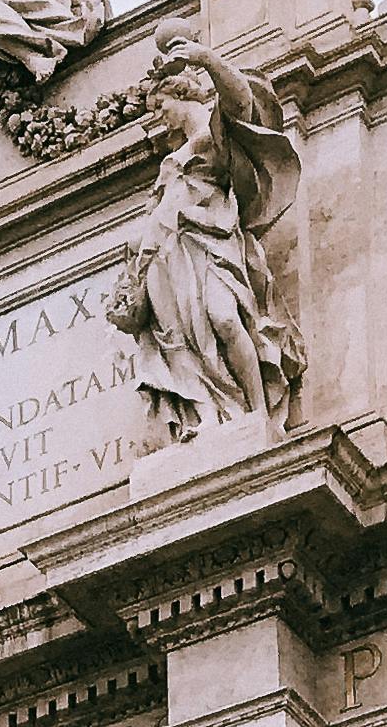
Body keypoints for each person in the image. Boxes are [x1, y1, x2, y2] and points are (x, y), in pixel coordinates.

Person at [112, 30, 303, 443]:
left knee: (224, 318)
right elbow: (156, 215)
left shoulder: (214, 135)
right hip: (167, 254)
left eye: (160, 105)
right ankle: (205, 417)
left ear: (181, 95)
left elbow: (241, 104)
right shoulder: (171, 160)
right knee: (177, 340)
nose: (158, 116)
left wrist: (208, 60)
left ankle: (257, 416)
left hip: (210, 243)